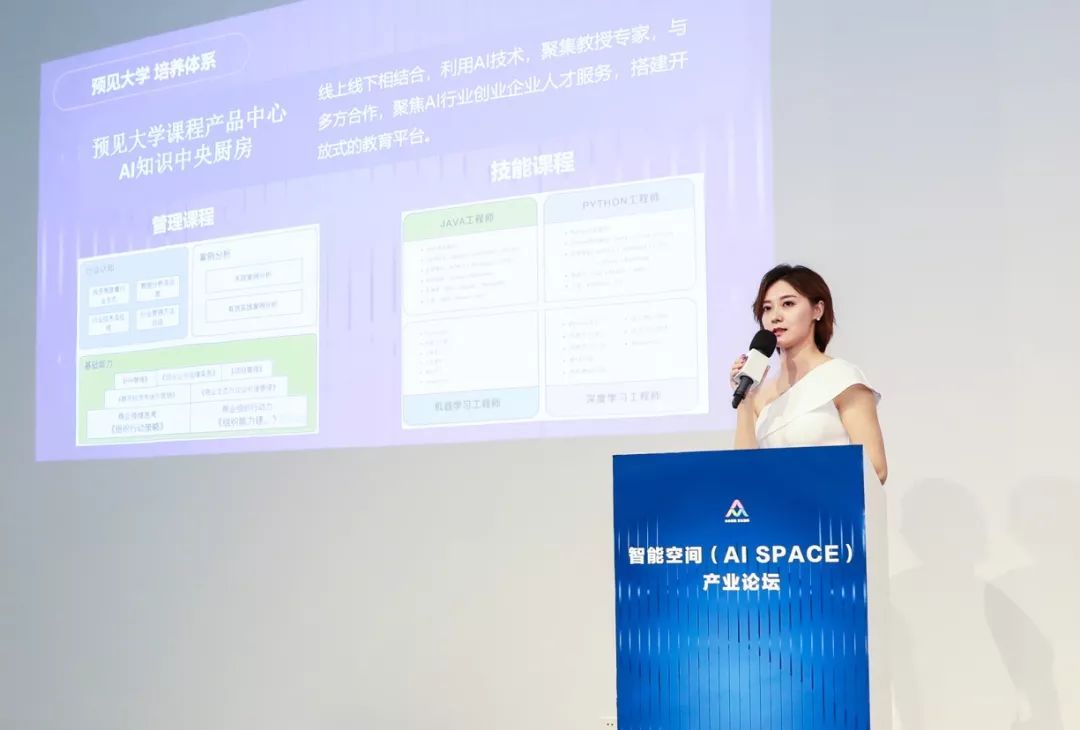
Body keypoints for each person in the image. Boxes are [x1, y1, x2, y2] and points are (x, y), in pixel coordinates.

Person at [730, 264, 888, 484]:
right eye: (767, 308)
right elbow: (743, 474)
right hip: (776, 506)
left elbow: (875, 468)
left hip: (829, 504)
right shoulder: (759, 395)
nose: (775, 316)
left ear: (817, 310)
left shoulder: (843, 378)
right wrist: (745, 403)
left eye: (788, 304)